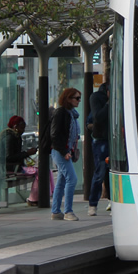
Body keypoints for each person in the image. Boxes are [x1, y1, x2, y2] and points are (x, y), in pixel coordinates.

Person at [50, 88, 82, 221]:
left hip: (65, 151)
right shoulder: (62, 113)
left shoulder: (72, 114)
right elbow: (55, 135)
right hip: (60, 151)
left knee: (62, 181)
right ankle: (68, 211)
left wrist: (71, 151)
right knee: (72, 179)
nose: (79, 101)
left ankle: (56, 211)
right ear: (68, 99)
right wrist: (64, 151)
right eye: (76, 98)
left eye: (79, 98)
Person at [86, 80, 110, 216]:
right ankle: (92, 203)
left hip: (112, 139)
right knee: (100, 171)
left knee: (111, 172)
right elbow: (98, 117)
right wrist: (108, 103)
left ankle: (112, 201)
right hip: (101, 139)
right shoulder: (96, 98)